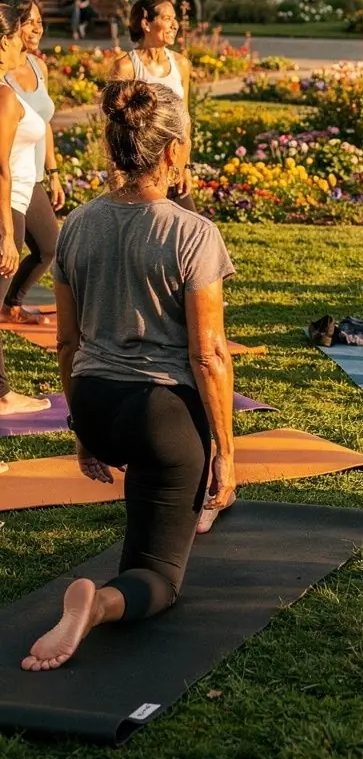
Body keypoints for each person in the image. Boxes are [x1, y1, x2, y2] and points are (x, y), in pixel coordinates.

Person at [22, 80, 236, 672]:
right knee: (160, 577)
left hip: (94, 400)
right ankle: (99, 607)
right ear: (170, 153)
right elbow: (210, 356)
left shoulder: (79, 226)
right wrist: (225, 452)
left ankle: (104, 590)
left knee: (148, 499)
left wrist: (83, 431)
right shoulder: (193, 233)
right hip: (160, 418)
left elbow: (67, 343)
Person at [0, 2, 52, 419]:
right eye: (22, 32)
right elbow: (0, 168)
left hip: (19, 196)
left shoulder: (15, 85)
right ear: (5, 39)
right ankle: (1, 394)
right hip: (10, 203)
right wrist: (6, 233)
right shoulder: (3, 94)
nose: (28, 40)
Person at [0, 0, 64, 326]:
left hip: (32, 174)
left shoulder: (40, 67)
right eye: (30, 22)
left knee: (48, 248)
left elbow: (44, 120)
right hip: (9, 177)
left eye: (41, 21)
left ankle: (12, 305)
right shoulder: (5, 77)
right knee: (7, 255)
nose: (38, 27)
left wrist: (52, 170)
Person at [111, 0, 195, 210]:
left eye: (174, 18)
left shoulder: (181, 64)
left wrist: (185, 165)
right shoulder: (127, 67)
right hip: (140, 168)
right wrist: (116, 173)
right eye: (167, 18)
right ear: (146, 23)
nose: (174, 24)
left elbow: (184, 119)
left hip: (172, 162)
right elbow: (115, 123)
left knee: (185, 226)